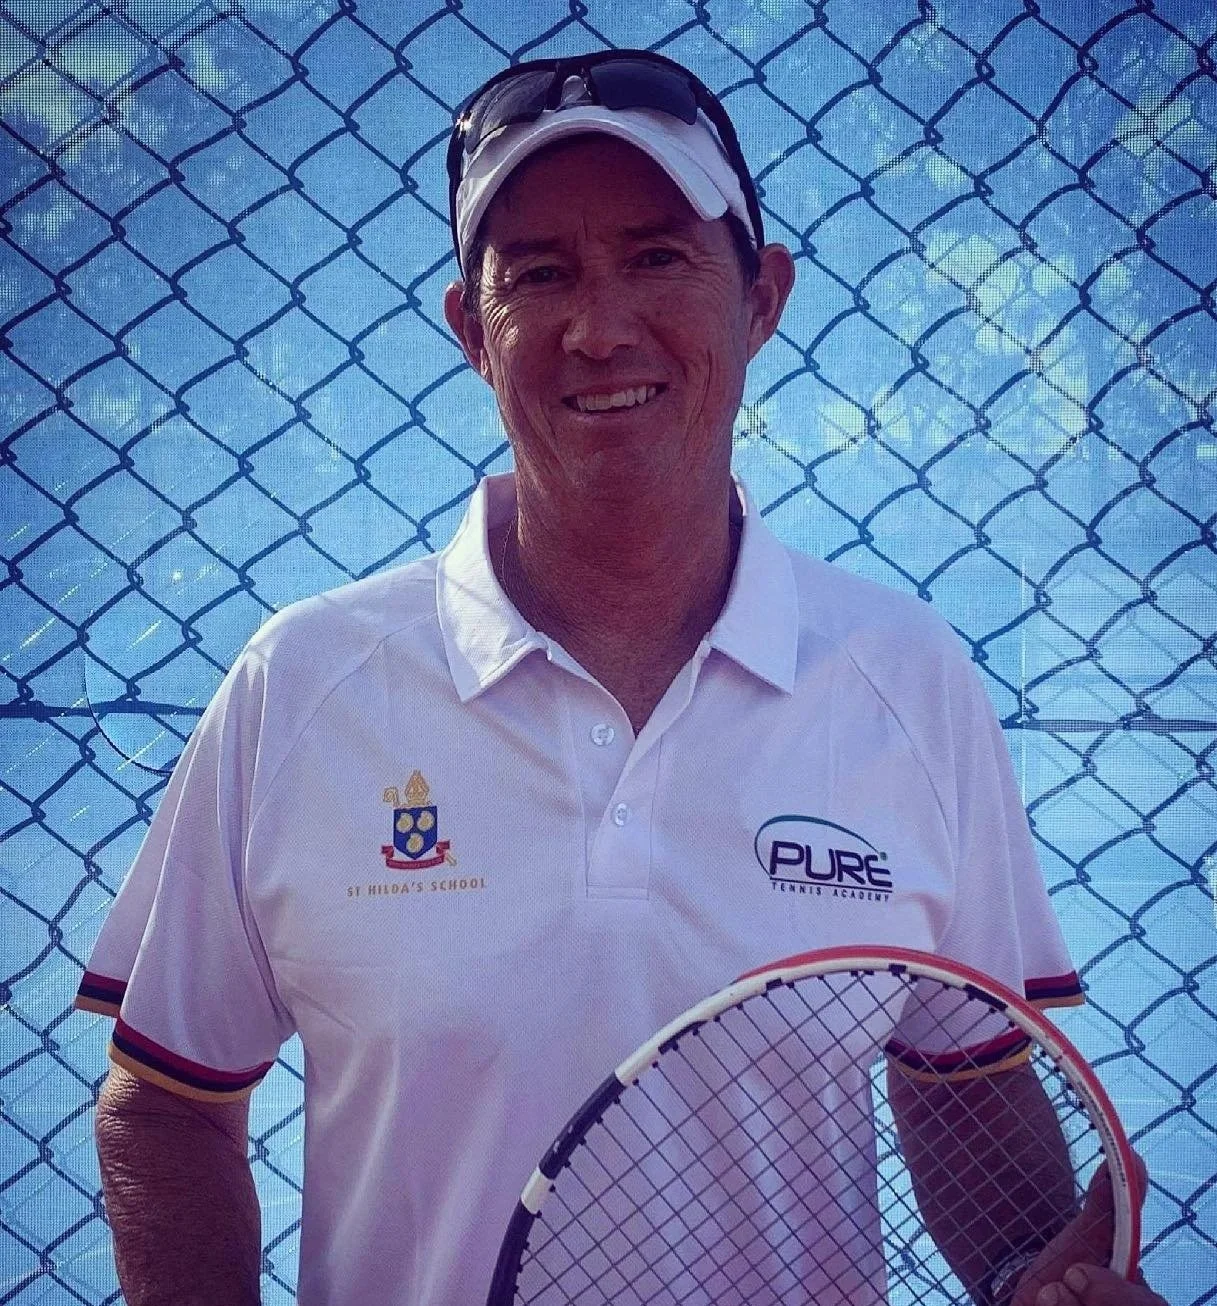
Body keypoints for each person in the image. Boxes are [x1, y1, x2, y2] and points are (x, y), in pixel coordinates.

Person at [76, 49, 1159, 1306]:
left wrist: (1031, 1273)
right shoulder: (302, 682)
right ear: (471, 332)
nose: (598, 327)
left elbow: (963, 1073)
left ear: (762, 300)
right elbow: (166, 1104)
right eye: (539, 274)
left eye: (657, 257)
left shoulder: (906, 680)